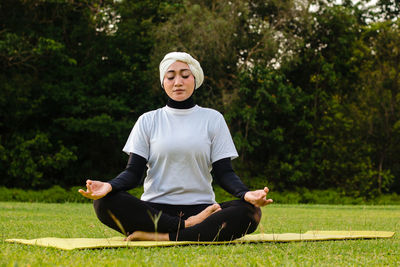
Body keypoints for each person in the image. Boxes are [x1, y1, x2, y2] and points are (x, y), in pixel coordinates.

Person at [79, 52, 273, 242]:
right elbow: (133, 173)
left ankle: (163, 236)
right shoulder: (148, 120)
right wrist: (110, 186)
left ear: (195, 79)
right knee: (104, 202)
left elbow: (225, 173)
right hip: (156, 212)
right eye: (170, 77)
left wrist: (245, 194)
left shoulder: (213, 119)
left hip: (203, 209)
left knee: (250, 212)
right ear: (163, 83)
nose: (178, 82)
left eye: (185, 75)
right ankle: (187, 227)